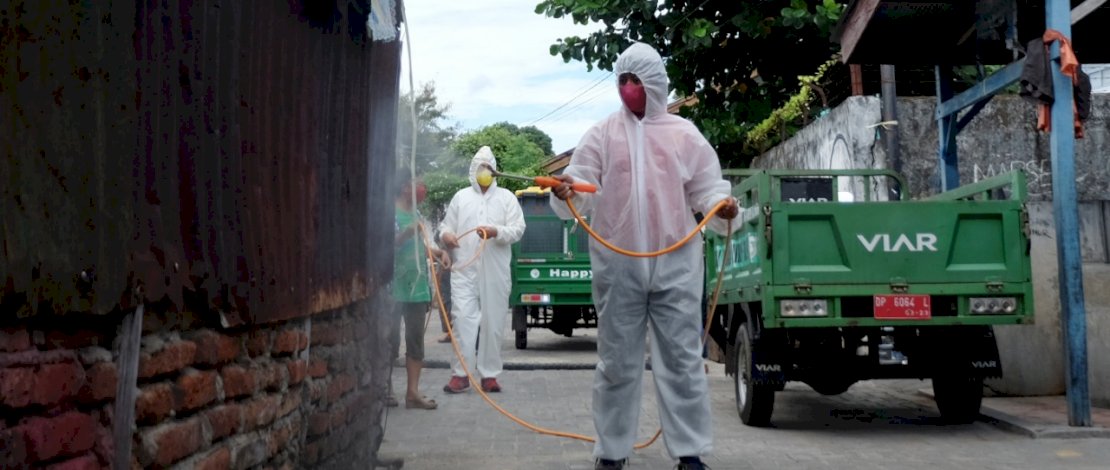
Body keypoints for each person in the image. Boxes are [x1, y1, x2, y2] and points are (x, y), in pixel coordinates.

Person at [548, 42, 739, 470]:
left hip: (676, 263)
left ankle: (690, 453)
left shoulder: (683, 134)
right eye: (622, 80)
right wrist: (565, 190)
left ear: (654, 84)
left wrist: (721, 205)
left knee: (683, 360)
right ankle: (612, 453)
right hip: (619, 266)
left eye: (636, 81)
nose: (628, 88)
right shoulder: (600, 135)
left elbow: (708, 186)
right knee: (616, 361)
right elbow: (578, 185)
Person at [438, 146, 526, 394]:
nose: (484, 172)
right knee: (463, 319)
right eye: (480, 168)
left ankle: (489, 374)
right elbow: (446, 226)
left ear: (494, 170)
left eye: (488, 168)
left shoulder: (507, 198)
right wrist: (447, 236)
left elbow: (518, 229)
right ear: (473, 171)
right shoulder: (461, 197)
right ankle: (461, 373)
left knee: (493, 321)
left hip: (495, 272)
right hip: (464, 269)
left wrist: (496, 231)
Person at [389, 170, 451, 410]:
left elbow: (420, 246)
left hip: (416, 287)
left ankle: (412, 393)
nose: (422, 188)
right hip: (393, 286)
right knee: (389, 340)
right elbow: (386, 244)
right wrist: (406, 232)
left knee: (416, 341)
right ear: (405, 187)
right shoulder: (389, 213)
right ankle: (386, 390)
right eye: (418, 184)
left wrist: (439, 253)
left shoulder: (416, 213)